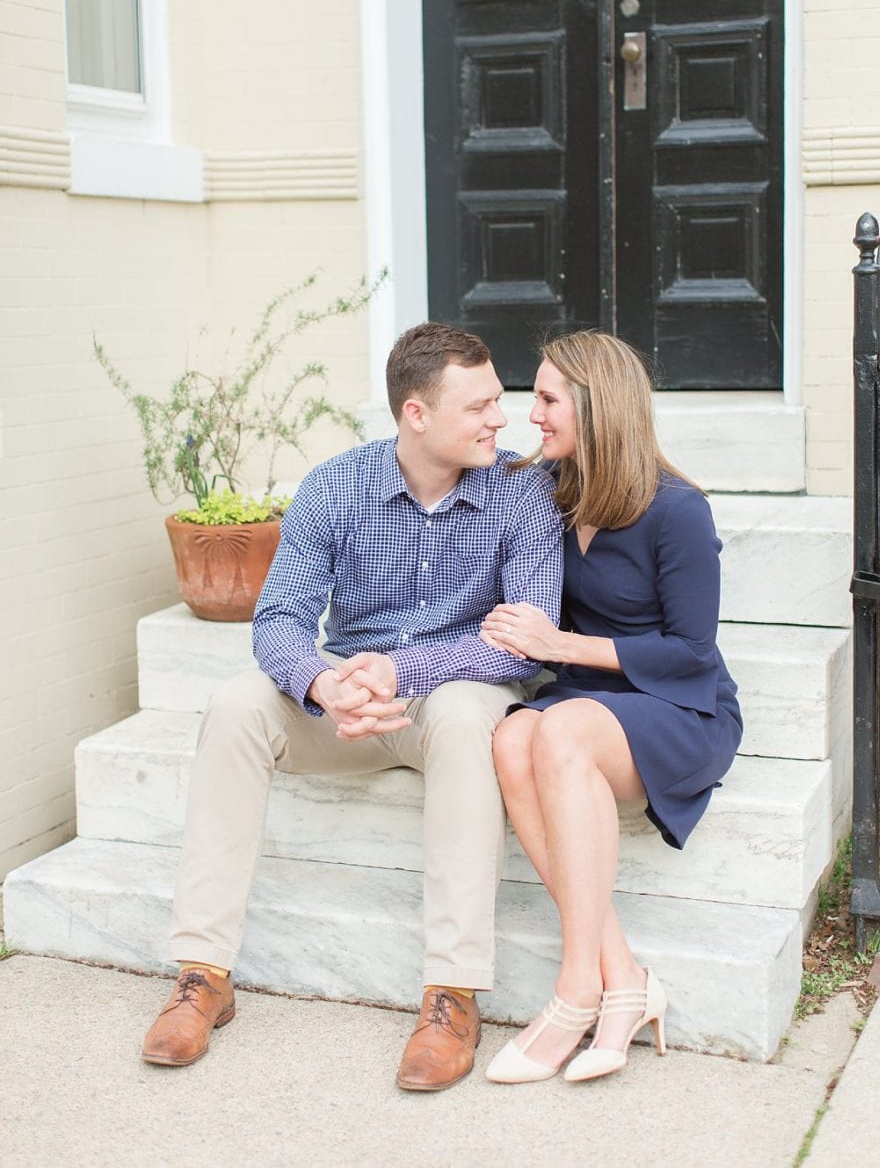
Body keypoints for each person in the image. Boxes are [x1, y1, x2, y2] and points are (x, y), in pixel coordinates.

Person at [139, 322, 565, 1091]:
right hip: (347, 705)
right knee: (238, 705)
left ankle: (452, 993)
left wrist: (402, 667)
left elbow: (523, 645)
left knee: (472, 714)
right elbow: (277, 620)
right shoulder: (335, 486)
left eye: (496, 401)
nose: (498, 419)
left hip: (447, 697)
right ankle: (204, 972)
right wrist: (323, 682)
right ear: (416, 414)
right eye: (477, 406)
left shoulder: (523, 490)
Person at [474, 330, 741, 1084]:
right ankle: (624, 977)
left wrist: (560, 643)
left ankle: (574, 991)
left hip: (679, 704)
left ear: (597, 407)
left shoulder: (678, 511)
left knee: (555, 728)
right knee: (510, 736)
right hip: (589, 701)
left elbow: (692, 650)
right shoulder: (552, 495)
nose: (534, 414)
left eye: (549, 399)